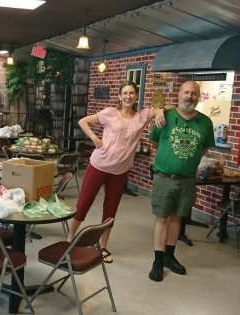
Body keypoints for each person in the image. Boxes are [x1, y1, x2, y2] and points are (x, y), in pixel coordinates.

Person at [66, 82, 174, 263]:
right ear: (119, 96)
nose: (128, 96)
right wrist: (94, 138)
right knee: (83, 204)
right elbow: (83, 121)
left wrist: (161, 110)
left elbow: (172, 107)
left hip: (120, 172)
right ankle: (70, 240)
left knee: (110, 212)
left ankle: (103, 247)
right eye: (124, 93)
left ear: (136, 96)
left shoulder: (142, 115)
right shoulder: (110, 113)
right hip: (99, 166)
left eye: (131, 93)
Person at [148, 81, 215, 282]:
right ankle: (158, 261)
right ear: (179, 94)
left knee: (177, 218)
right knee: (162, 219)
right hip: (164, 177)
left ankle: (169, 256)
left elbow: (204, 147)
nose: (189, 96)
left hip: (187, 180)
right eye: (186, 92)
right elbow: (154, 141)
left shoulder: (205, 122)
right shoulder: (166, 117)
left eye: (194, 93)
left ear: (198, 96)